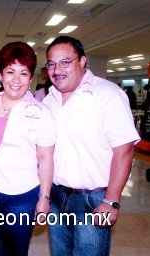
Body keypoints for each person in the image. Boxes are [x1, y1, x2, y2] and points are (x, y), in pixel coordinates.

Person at [42, 36, 140, 256]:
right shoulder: (49, 100)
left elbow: (124, 150)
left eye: (65, 62)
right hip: (57, 197)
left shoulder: (107, 94)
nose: (57, 69)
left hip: (92, 200)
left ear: (83, 61)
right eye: (51, 63)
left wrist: (111, 201)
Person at [0, 41, 56, 255]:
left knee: (15, 250)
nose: (16, 80)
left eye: (23, 73)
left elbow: (45, 159)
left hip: (22, 197)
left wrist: (44, 198)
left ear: (31, 78)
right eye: (10, 71)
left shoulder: (41, 112)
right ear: (0, 74)